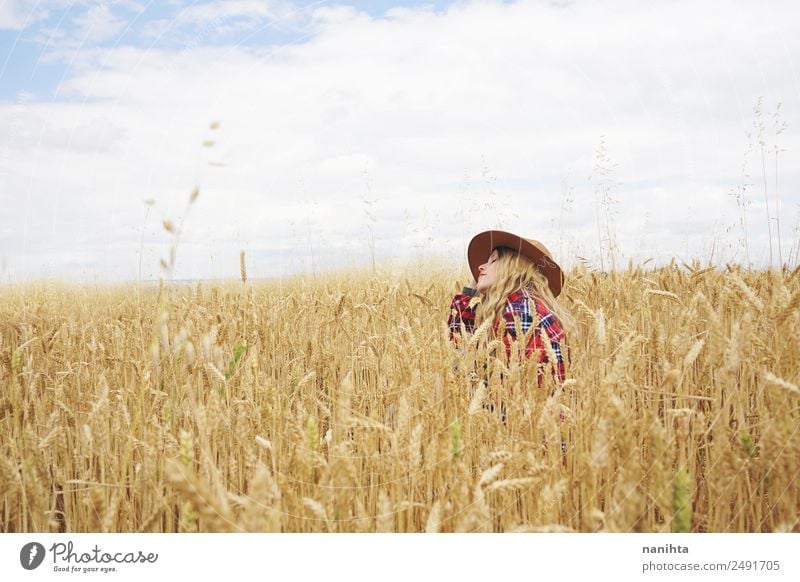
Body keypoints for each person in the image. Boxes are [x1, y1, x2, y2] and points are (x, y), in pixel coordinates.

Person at [448, 230, 571, 388]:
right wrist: (472, 291)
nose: (480, 267)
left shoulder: (521, 313)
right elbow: (462, 340)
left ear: (514, 268)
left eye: (493, 260)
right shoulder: (520, 305)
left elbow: (505, 396)